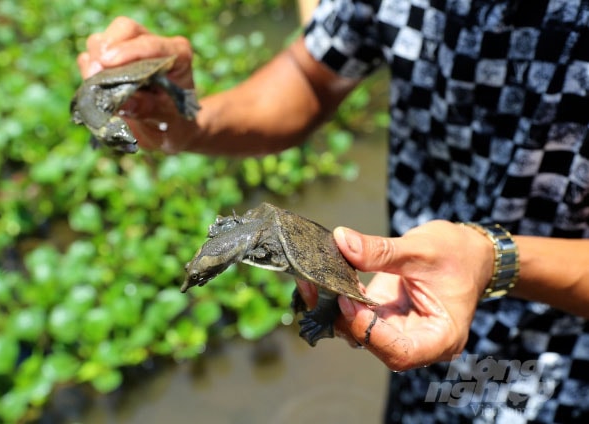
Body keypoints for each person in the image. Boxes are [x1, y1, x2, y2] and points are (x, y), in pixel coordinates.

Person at [77, 1, 589, 422]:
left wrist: (494, 261)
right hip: (412, 306)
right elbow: (312, 74)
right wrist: (185, 120)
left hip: (564, 369)